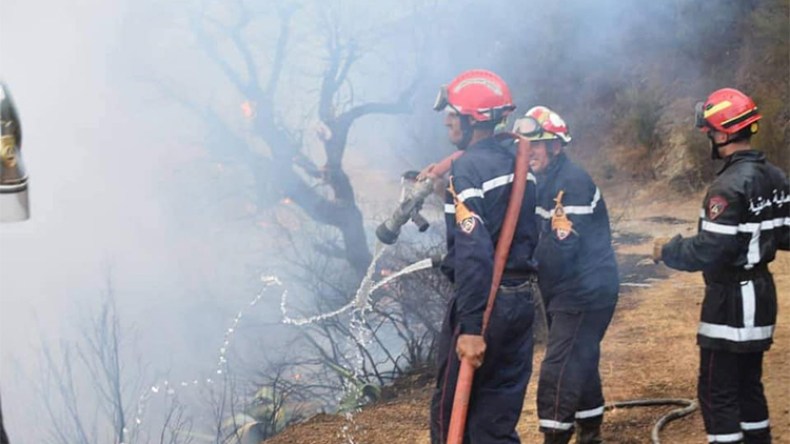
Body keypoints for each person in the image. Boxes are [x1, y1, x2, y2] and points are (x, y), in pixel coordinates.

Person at [653, 88, 789, 444]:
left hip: (731, 300)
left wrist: (669, 249)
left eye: (711, 132)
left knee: (717, 392)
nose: (710, 139)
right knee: (749, 386)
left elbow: (711, 250)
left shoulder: (727, 186)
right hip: (762, 297)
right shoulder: (775, 177)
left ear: (725, 133)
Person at [430, 69, 539, 443]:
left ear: (472, 119)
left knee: (450, 416)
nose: (447, 119)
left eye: (453, 112)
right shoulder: (520, 163)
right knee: (494, 423)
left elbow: (474, 250)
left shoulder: (468, 168)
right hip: (520, 299)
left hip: (485, 304)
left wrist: (473, 327)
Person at [516, 106, 619, 444]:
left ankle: (555, 437)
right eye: (524, 145)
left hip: (585, 292)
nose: (528, 152)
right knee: (581, 355)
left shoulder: (571, 183)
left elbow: (561, 250)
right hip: (568, 290)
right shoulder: (542, 181)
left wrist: (519, 264)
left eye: (536, 145)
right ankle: (591, 432)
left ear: (555, 147)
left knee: (558, 369)